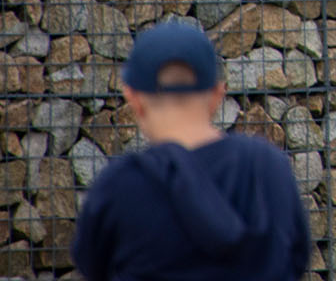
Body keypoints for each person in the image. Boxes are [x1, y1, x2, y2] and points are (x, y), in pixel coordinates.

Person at [71, 21, 310, 281]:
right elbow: (297, 258)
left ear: (134, 99)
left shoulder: (118, 186)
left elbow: (92, 266)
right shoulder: (268, 168)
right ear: (217, 96)